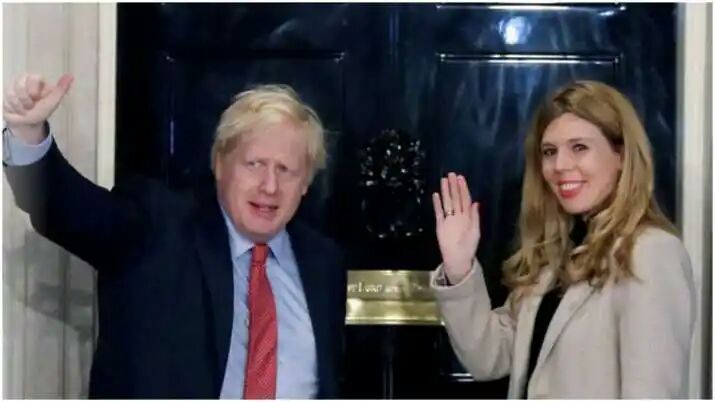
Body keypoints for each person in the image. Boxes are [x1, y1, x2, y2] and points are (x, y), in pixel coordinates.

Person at [3, 73, 347, 398]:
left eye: (286, 170)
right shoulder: (157, 228)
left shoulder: (323, 262)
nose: (270, 186)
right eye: (254, 164)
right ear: (220, 164)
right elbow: (70, 211)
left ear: (305, 183)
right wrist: (30, 137)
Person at [429, 80, 695, 398]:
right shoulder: (557, 255)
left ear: (621, 155)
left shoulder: (651, 251)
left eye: (579, 147)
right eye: (549, 152)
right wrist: (459, 269)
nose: (560, 166)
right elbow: (487, 360)